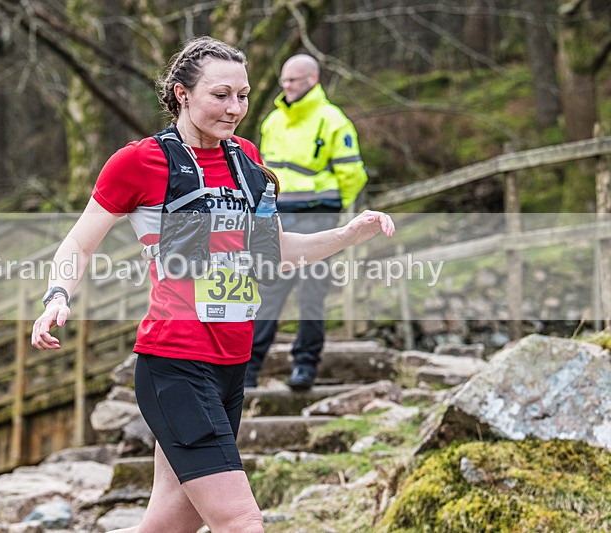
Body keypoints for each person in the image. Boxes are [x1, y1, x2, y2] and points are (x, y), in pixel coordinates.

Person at [31, 37, 394, 533]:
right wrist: (56, 296)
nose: (235, 108)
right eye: (220, 95)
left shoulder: (247, 159)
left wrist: (348, 234)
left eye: (243, 96)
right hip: (174, 363)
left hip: (231, 364)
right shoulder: (139, 162)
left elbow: (277, 251)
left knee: (170, 523)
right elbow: (79, 244)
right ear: (182, 93)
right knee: (241, 520)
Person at [245, 54, 369, 391]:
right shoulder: (272, 122)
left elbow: (352, 174)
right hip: (278, 216)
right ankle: (248, 371)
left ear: (312, 79)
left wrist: (333, 208)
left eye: (293, 80)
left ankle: (305, 368)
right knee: (267, 292)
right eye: (283, 80)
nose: (286, 86)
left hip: (319, 214)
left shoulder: (332, 120)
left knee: (312, 294)